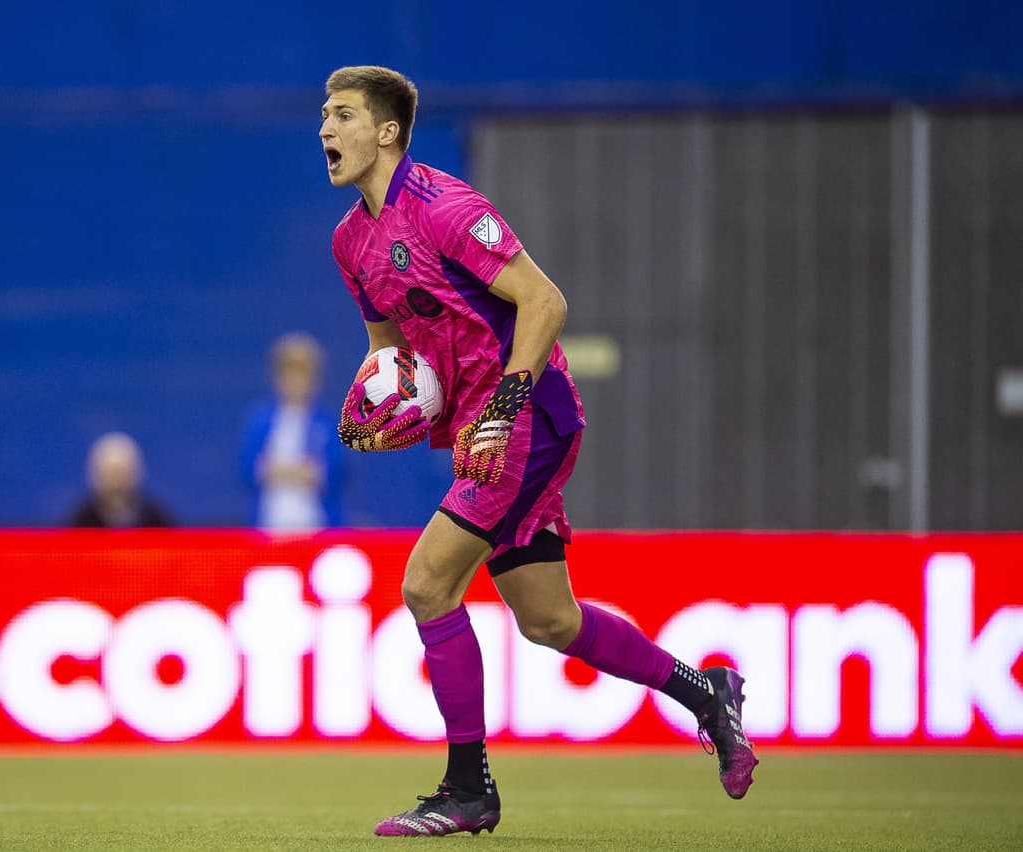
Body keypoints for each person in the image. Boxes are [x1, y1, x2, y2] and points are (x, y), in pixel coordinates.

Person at [320, 65, 758, 837]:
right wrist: (383, 403)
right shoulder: (351, 241)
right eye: (325, 115)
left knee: (426, 585)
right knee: (549, 621)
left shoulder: (448, 208)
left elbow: (545, 301)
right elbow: (389, 349)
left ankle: (468, 789)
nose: (325, 129)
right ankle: (707, 692)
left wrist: (506, 402)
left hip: (532, 416)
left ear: (386, 132)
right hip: (480, 433)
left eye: (343, 114)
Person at [238, 332, 345, 531]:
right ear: (277, 377)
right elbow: (250, 469)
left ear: (316, 379)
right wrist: (297, 472)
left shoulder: (328, 423)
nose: (296, 381)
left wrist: (280, 471)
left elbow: (333, 473)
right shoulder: (260, 420)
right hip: (269, 522)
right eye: (289, 373)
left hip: (316, 524)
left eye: (303, 373)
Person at [68, 431, 175, 528]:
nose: (116, 481)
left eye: (121, 472)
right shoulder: (79, 525)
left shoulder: (157, 522)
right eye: (109, 473)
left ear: (136, 473)